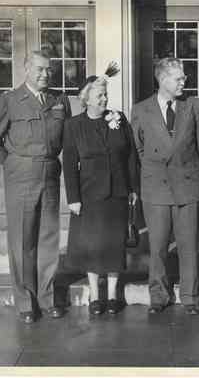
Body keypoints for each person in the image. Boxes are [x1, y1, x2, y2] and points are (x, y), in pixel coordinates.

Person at [0, 50, 71, 323]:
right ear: (26, 69)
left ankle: (47, 296)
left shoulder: (59, 100)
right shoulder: (10, 100)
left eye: (48, 70)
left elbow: (67, 138)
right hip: (21, 174)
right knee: (22, 240)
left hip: (50, 173)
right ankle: (25, 301)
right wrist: (11, 163)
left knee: (48, 238)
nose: (45, 74)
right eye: (40, 69)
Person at [62, 65, 138, 316]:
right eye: (99, 95)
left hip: (117, 192)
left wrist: (132, 188)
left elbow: (130, 156)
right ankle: (96, 294)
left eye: (105, 95)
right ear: (86, 98)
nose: (104, 99)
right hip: (89, 194)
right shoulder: (74, 125)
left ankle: (114, 293)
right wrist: (73, 199)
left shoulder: (118, 119)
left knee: (115, 243)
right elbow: (70, 164)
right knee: (93, 245)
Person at [131, 57, 199, 315]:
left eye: (184, 77)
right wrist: (154, 172)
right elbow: (139, 149)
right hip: (156, 187)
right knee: (158, 246)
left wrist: (194, 175)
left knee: (188, 245)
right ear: (162, 80)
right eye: (179, 78)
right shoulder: (141, 109)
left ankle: (191, 296)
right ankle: (159, 296)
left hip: (188, 186)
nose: (184, 82)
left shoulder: (193, 105)